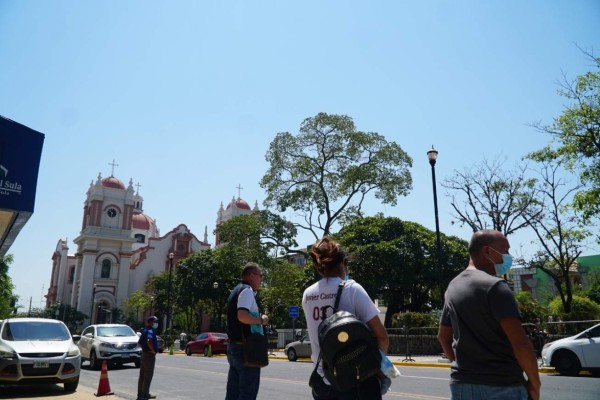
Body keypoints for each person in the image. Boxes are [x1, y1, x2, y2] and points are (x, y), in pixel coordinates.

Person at [437, 230, 541, 400]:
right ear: (487, 252)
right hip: (502, 385)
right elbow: (520, 342)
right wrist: (535, 383)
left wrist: (461, 367)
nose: (508, 256)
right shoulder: (496, 286)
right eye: (505, 250)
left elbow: (443, 336)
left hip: (461, 385)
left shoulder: (453, 286)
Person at [302, 237, 389, 400]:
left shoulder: (308, 294)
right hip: (356, 382)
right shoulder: (352, 289)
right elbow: (382, 337)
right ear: (343, 264)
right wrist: (379, 370)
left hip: (323, 381)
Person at [225, 262, 269, 400]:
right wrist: (262, 320)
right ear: (251, 276)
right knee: (247, 393)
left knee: (233, 392)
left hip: (235, 347)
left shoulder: (236, 290)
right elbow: (242, 316)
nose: (261, 279)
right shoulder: (246, 290)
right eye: (260, 275)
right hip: (246, 350)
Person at [137, 316, 159, 400]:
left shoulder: (145, 330)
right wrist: (152, 351)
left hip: (144, 354)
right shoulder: (150, 330)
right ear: (150, 322)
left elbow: (139, 343)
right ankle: (145, 395)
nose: (156, 323)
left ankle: (140, 394)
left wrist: (145, 349)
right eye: (155, 321)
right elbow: (149, 341)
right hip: (149, 355)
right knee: (148, 375)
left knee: (142, 375)